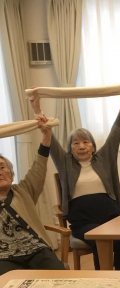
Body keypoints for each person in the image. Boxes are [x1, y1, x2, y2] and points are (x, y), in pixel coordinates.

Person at [29, 90, 120, 270]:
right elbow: (50, 138)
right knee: (100, 240)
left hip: (110, 215)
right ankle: (105, 279)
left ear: (93, 146)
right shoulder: (65, 162)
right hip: (83, 220)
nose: (81, 146)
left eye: (86, 142)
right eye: (76, 143)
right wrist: (37, 109)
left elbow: (115, 133)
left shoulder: (104, 158)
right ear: (70, 148)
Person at [0, 117, 66, 275]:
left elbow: (39, 165)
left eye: (1, 167)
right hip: (3, 257)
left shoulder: (24, 190)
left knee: (59, 277)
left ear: (12, 174)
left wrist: (46, 135)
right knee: (7, 286)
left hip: (36, 249)